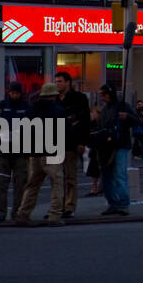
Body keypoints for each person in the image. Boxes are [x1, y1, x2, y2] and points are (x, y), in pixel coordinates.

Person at [14, 81, 68, 226]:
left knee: (33, 184)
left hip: (35, 151)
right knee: (57, 182)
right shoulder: (58, 110)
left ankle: (23, 214)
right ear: (54, 96)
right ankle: (54, 215)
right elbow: (66, 131)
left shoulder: (31, 110)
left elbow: (24, 130)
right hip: (52, 150)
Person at [94, 84, 140, 216]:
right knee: (107, 176)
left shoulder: (123, 107)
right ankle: (113, 202)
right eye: (101, 95)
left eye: (104, 94)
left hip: (120, 144)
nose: (102, 97)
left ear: (110, 93)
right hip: (106, 146)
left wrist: (127, 117)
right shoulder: (104, 110)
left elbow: (137, 121)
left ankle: (123, 203)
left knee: (119, 174)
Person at [0, 82, 31, 223]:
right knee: (0, 184)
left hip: (20, 153)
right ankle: (0, 214)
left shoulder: (26, 108)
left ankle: (18, 213)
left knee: (21, 184)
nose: (15, 95)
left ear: (21, 93)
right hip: (3, 152)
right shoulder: (1, 107)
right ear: (9, 92)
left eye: (17, 93)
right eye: (13, 93)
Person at [55, 70, 89, 219]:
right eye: (56, 82)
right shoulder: (54, 99)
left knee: (70, 177)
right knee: (56, 178)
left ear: (68, 82)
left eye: (60, 81)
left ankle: (69, 206)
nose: (58, 84)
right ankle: (57, 206)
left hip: (71, 143)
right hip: (55, 143)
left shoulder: (79, 98)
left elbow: (85, 121)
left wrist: (82, 142)